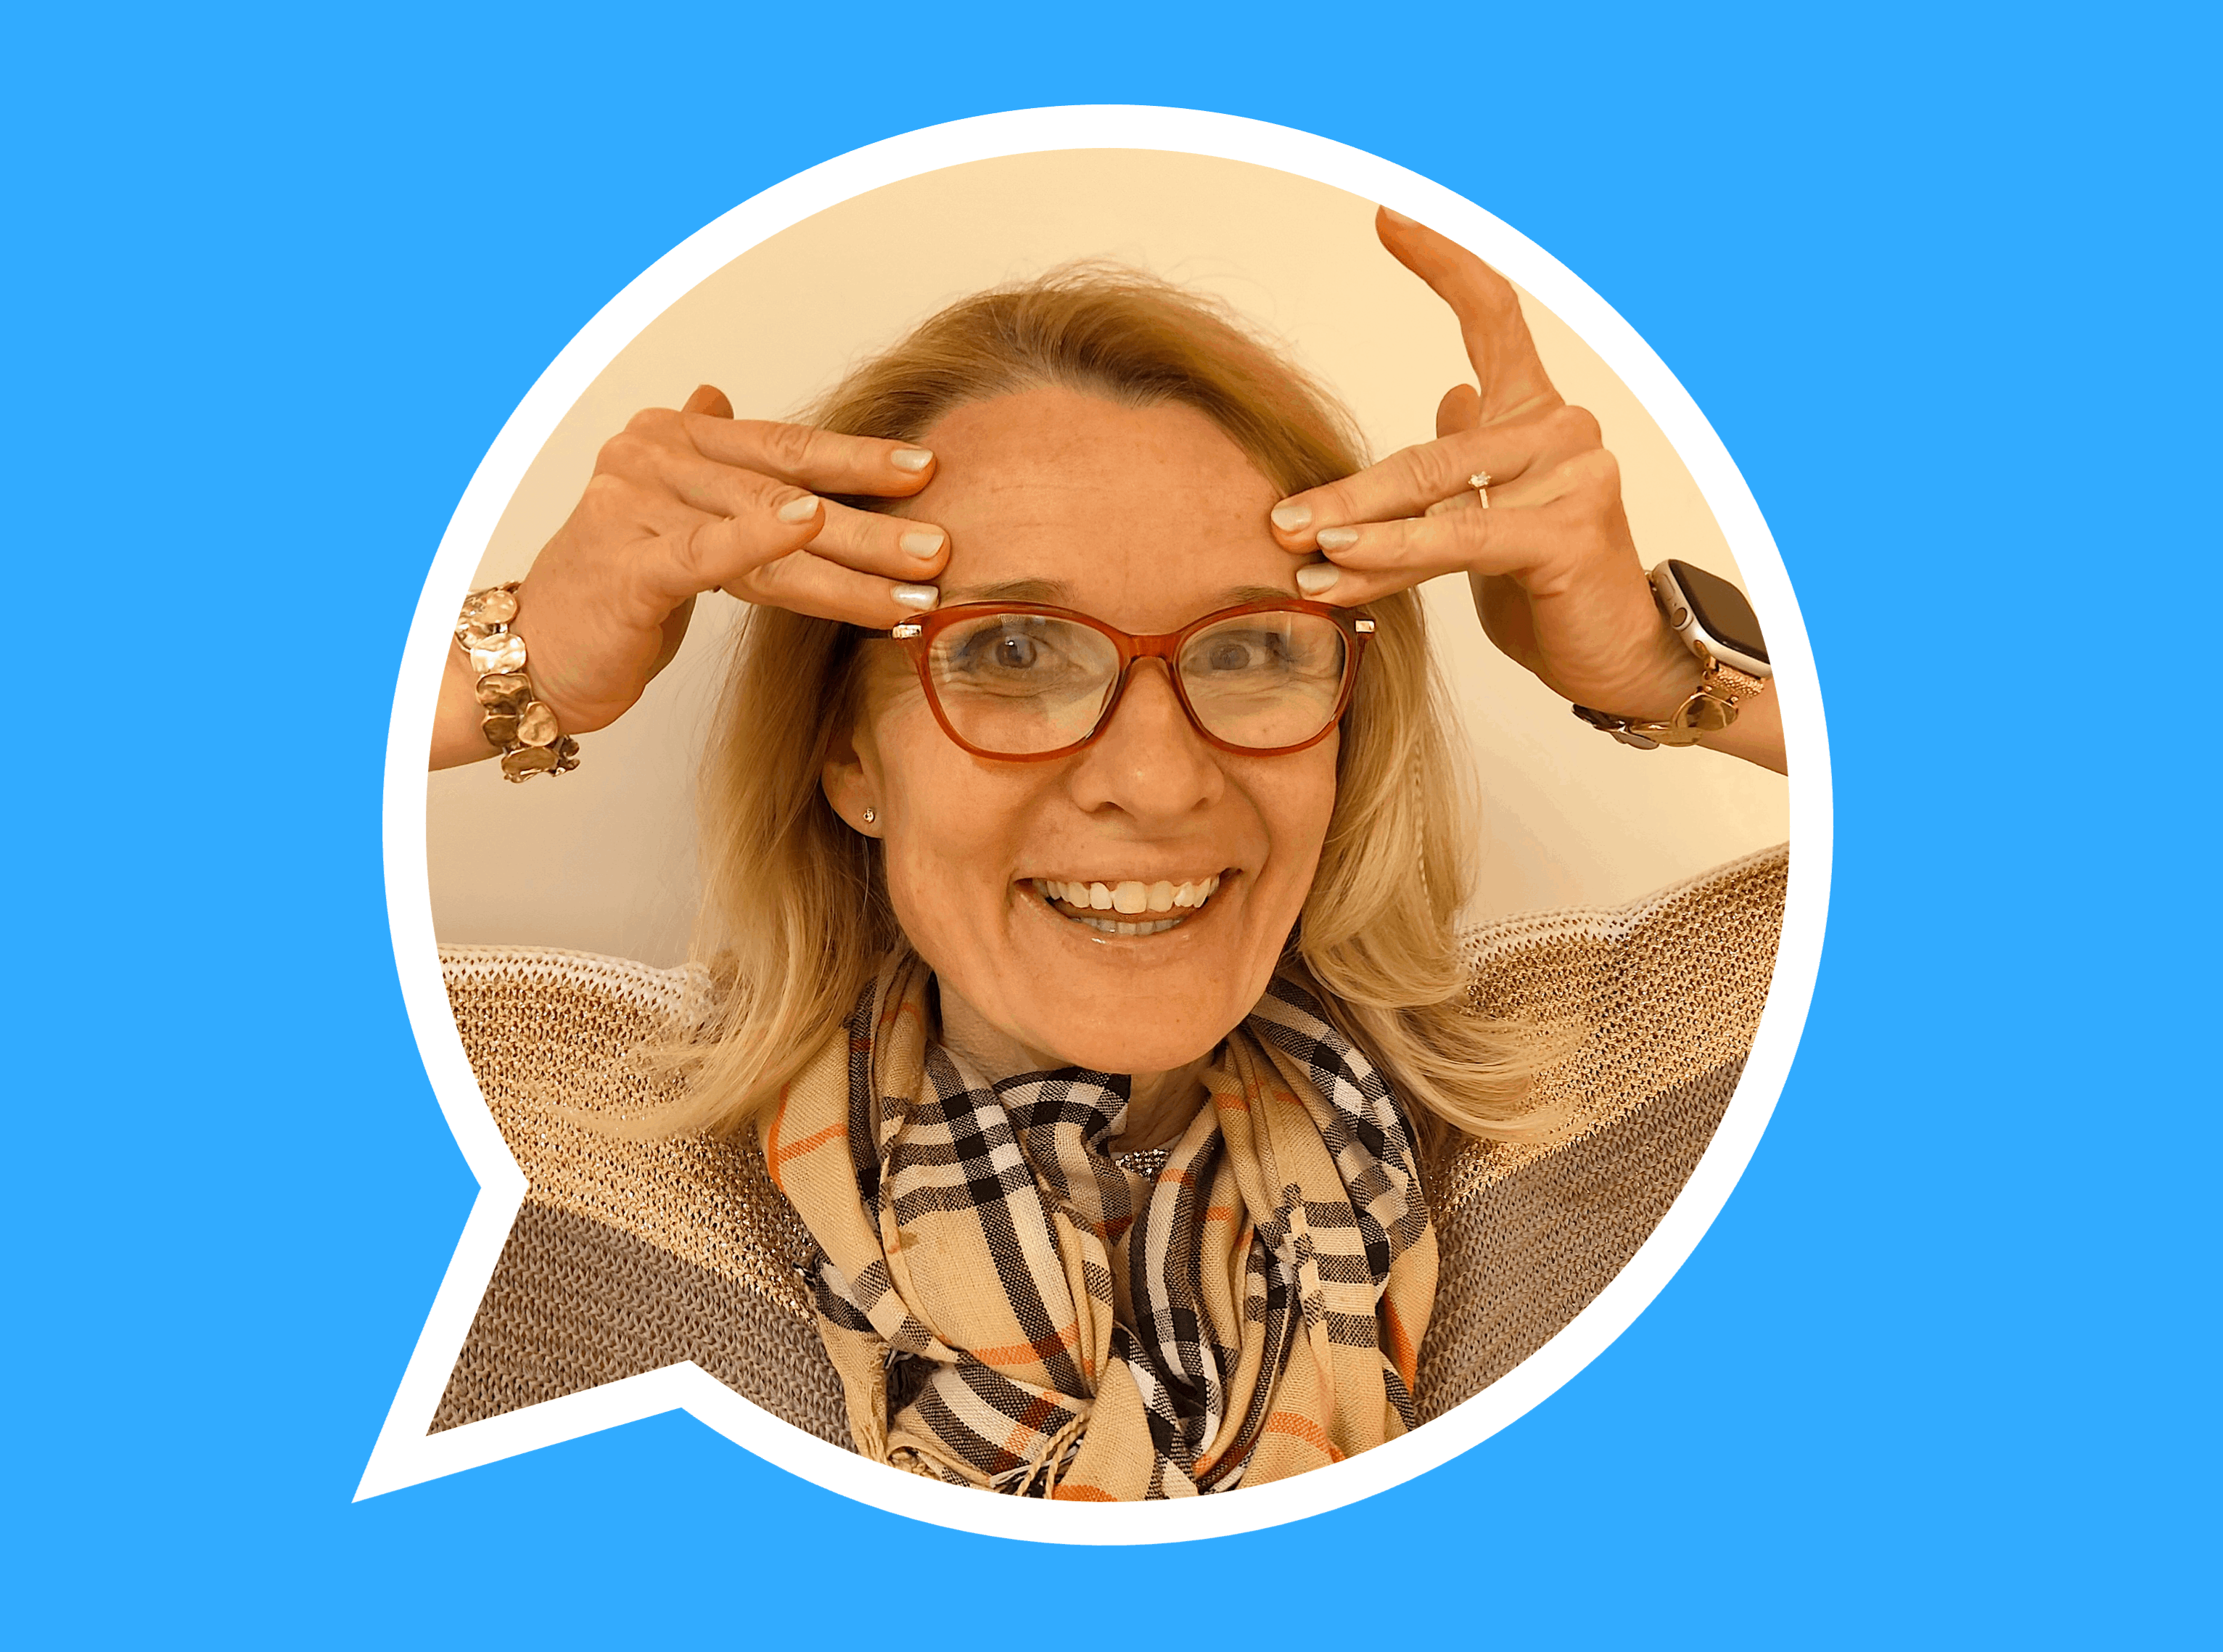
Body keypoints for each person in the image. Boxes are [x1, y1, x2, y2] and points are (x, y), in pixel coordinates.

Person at [428, 210, 1789, 1500]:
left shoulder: (1604, 1087)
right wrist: (508, 668)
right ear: (849, 756)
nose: (1156, 780)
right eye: (1014, 651)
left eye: (1250, 649)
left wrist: (1668, 667)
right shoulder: (541, 1140)